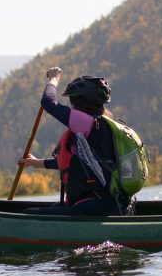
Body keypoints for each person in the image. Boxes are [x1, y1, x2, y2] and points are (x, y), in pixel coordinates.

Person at [18, 66, 145, 216]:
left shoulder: (86, 122)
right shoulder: (101, 125)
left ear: (79, 101)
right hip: (109, 204)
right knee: (41, 209)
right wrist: (37, 163)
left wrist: (54, 78)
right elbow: (73, 163)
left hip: (94, 206)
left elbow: (48, 102)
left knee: (28, 214)